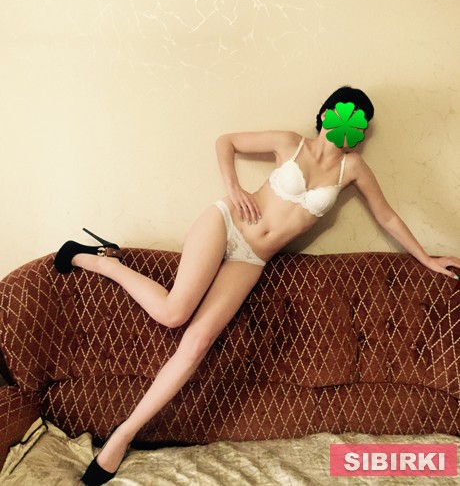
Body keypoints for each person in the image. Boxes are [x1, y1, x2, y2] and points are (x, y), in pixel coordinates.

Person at [54, 86, 460, 485]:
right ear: (325, 115)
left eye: (359, 123)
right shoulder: (290, 143)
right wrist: (233, 188)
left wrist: (425, 258)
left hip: (251, 258)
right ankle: (98, 260)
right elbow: (226, 141)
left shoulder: (351, 169)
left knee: (196, 344)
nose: (350, 127)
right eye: (344, 114)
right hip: (227, 223)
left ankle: (123, 435)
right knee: (173, 313)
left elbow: (387, 217)